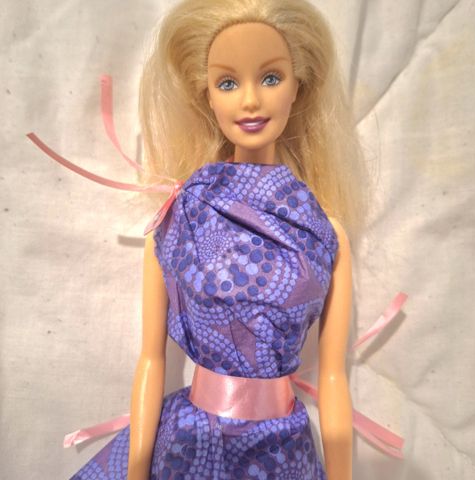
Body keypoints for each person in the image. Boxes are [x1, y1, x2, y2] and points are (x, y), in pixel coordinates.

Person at [65, 0, 368, 478]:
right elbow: (151, 360)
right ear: (205, 95)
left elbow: (333, 376)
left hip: (282, 451)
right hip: (192, 443)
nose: (250, 101)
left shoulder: (325, 234)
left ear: (298, 86)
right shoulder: (180, 217)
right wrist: (137, 469)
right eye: (227, 83)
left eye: (271, 77)